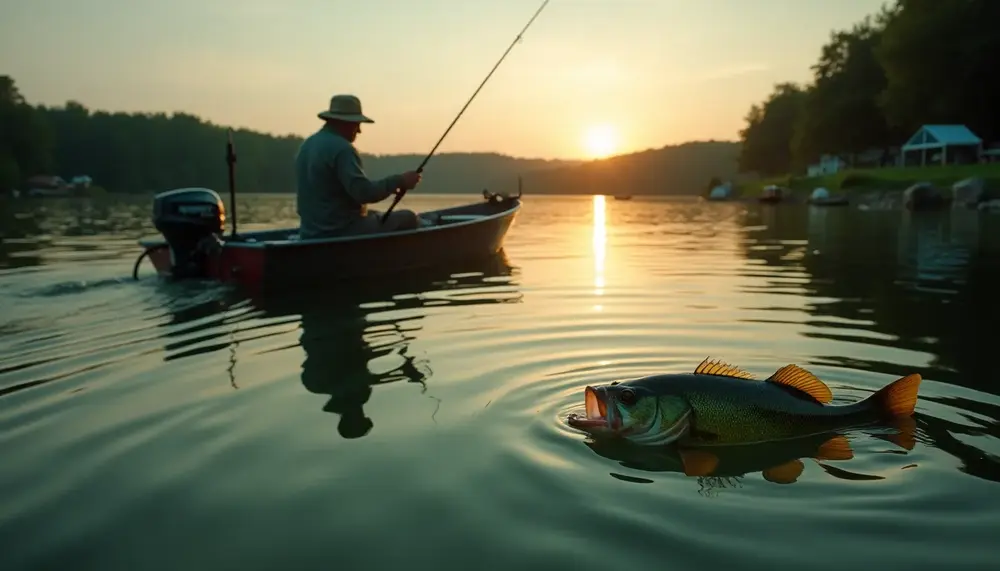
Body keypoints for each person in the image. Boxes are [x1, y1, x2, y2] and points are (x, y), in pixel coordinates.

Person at [295, 94, 424, 239]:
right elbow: (364, 193)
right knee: (408, 218)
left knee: (374, 214)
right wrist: (399, 181)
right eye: (356, 124)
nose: (359, 131)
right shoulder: (343, 149)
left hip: (310, 231)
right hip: (339, 231)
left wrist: (391, 185)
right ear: (345, 123)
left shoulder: (307, 145)